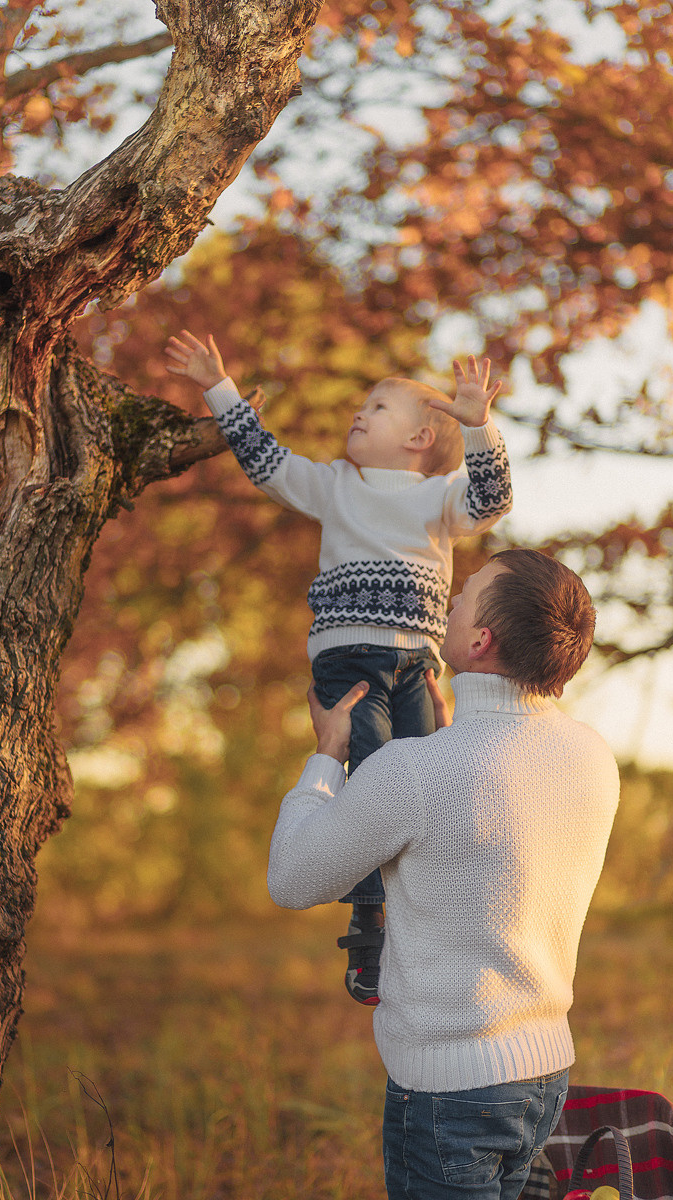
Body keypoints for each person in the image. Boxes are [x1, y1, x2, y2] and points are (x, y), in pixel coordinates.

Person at [165, 330, 513, 1004]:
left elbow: (493, 497)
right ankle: (369, 930)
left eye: (379, 407)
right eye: (363, 404)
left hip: (415, 664)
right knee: (374, 784)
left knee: (424, 784)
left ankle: (426, 921)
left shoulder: (441, 499)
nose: (360, 412)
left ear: (417, 440)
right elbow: (264, 459)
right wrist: (218, 384)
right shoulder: (334, 486)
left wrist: (479, 426)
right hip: (348, 663)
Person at [267, 549, 621, 1200]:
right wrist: (453, 740)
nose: (451, 598)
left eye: (468, 592)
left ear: (481, 640)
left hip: (448, 1093)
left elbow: (291, 877)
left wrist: (326, 757)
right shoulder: (593, 757)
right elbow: (500, 831)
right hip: (545, 1075)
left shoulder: (415, 770)